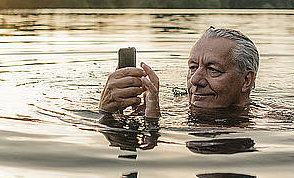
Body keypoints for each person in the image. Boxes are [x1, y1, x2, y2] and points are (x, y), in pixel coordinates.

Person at [98, 27, 259, 118]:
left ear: (246, 80)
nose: (195, 80)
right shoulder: (173, 108)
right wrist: (107, 111)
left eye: (212, 69)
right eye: (193, 67)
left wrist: (154, 124)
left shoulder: (272, 121)